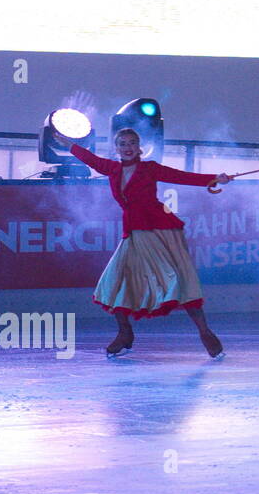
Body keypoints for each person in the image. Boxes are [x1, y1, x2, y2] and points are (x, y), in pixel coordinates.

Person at [56, 128, 233, 358]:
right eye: (123, 143)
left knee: (177, 279)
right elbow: (90, 159)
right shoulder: (112, 169)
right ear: (116, 148)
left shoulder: (149, 168)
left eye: (132, 143)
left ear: (139, 147)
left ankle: (205, 332)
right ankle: (125, 333)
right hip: (133, 232)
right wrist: (68, 144)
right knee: (115, 281)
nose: (128, 147)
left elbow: (181, 176)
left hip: (159, 230)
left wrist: (214, 179)